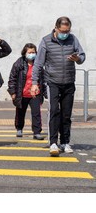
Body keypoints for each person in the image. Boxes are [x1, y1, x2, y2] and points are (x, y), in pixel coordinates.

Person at [31, 16, 85, 156]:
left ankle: (65, 142)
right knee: (54, 111)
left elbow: (82, 56)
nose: (65, 34)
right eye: (62, 31)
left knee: (66, 114)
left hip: (68, 82)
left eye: (67, 31)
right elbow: (38, 63)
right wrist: (34, 83)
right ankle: (53, 142)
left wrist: (77, 59)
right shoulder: (46, 41)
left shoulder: (73, 39)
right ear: (56, 28)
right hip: (52, 82)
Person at [8, 43, 45, 140]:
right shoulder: (19, 63)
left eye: (33, 52)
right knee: (20, 112)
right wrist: (13, 92)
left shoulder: (38, 64)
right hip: (22, 93)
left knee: (36, 113)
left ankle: (37, 132)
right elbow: (12, 78)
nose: (32, 54)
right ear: (25, 53)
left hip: (35, 93)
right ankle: (19, 128)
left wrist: (44, 92)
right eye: (29, 52)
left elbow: (43, 79)